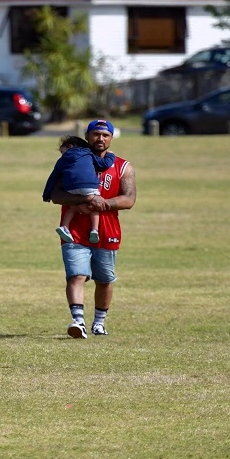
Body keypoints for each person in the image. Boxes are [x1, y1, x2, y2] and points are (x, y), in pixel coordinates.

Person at [48, 119, 135, 339]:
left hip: (106, 230)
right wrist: (83, 199)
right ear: (87, 136)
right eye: (96, 134)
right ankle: (78, 322)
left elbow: (129, 199)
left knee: (104, 279)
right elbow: (55, 195)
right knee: (75, 275)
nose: (100, 138)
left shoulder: (123, 166)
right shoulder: (73, 160)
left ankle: (99, 322)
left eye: (105, 135)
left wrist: (103, 203)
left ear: (111, 138)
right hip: (74, 230)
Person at [43, 135, 116, 244]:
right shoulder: (88, 154)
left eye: (63, 151)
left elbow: (53, 177)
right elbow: (104, 163)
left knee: (71, 207)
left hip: (70, 187)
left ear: (70, 146)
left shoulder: (62, 160)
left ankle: (64, 226)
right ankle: (95, 229)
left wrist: (46, 195)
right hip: (89, 186)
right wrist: (110, 155)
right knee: (95, 207)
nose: (63, 155)